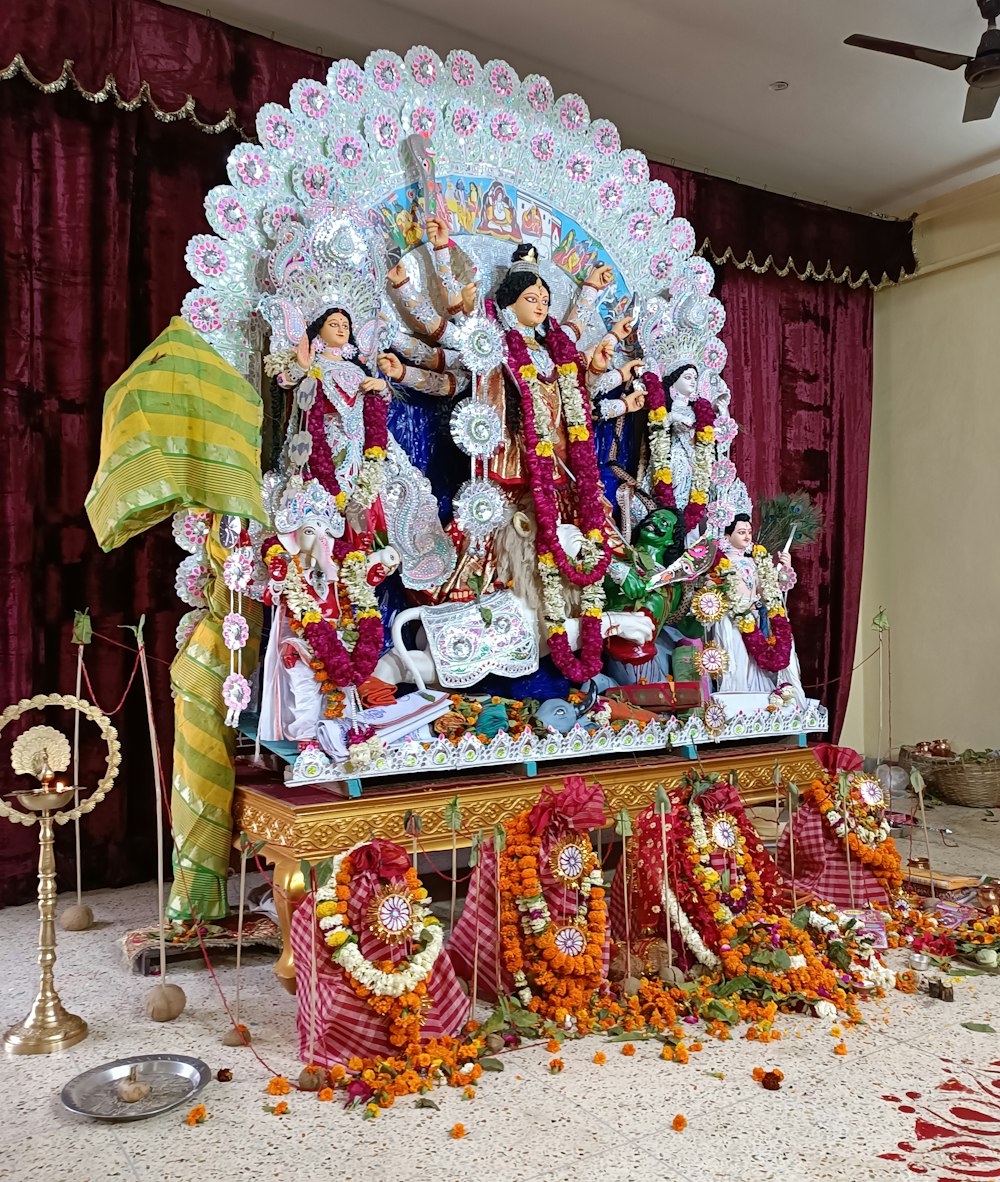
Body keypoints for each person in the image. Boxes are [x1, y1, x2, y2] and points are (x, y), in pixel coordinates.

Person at [712, 512, 810, 707]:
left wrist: (783, 569)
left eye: (749, 531)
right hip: (733, 618)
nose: (747, 536)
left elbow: (767, 590)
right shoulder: (721, 562)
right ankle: (735, 706)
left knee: (757, 663)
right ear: (727, 535)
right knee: (738, 663)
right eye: (741, 532)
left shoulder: (755, 560)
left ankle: (767, 702)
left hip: (756, 618)